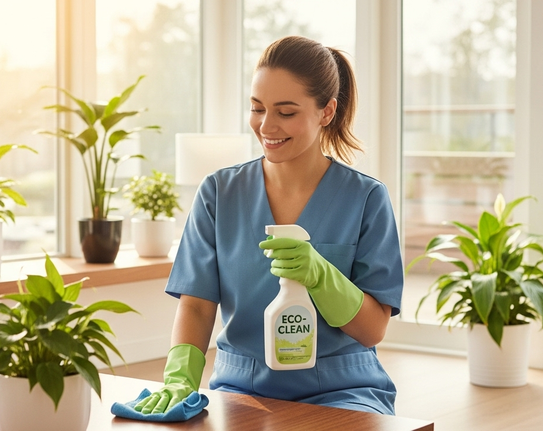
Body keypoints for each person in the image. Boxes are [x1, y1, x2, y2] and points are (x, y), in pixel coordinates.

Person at [135, 35, 404, 416]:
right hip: (241, 387)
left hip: (344, 388)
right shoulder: (218, 193)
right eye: (257, 108)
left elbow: (373, 330)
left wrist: (321, 276)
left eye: (286, 112)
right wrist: (180, 379)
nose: (266, 125)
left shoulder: (365, 199)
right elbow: (196, 306)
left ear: (326, 112)